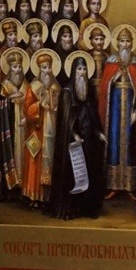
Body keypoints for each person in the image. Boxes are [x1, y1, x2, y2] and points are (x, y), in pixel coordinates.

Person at [48, 53, 107, 220]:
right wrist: (74, 135)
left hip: (89, 141)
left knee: (90, 173)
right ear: (74, 71)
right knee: (73, 175)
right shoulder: (67, 92)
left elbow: (93, 115)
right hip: (73, 144)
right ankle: (70, 209)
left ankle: (88, 208)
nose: (82, 72)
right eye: (79, 69)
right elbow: (66, 120)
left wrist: (99, 132)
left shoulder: (88, 91)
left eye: (84, 69)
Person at [99, 26, 136, 200]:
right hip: (114, 107)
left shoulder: (135, 61)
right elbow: (105, 86)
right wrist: (115, 76)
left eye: (128, 41)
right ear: (117, 43)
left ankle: (129, 186)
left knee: (129, 141)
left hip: (130, 106)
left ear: (132, 43)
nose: (125, 45)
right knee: (114, 140)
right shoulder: (111, 60)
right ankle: (113, 185)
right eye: (122, 41)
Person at [21, 51, 62, 208]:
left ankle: (48, 197)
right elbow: (27, 107)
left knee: (51, 161)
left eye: (49, 67)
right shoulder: (34, 86)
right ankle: (34, 196)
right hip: (37, 130)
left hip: (52, 128)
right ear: (39, 69)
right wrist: (39, 105)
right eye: (44, 68)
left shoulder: (56, 87)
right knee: (34, 160)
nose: (47, 71)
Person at [0, 49, 28, 199]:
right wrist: (10, 98)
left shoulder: (27, 84)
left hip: (24, 127)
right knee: (10, 154)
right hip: (10, 126)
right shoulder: (5, 85)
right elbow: (0, 105)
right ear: (10, 68)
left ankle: (24, 188)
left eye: (19, 66)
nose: (18, 70)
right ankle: (10, 187)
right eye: (14, 67)